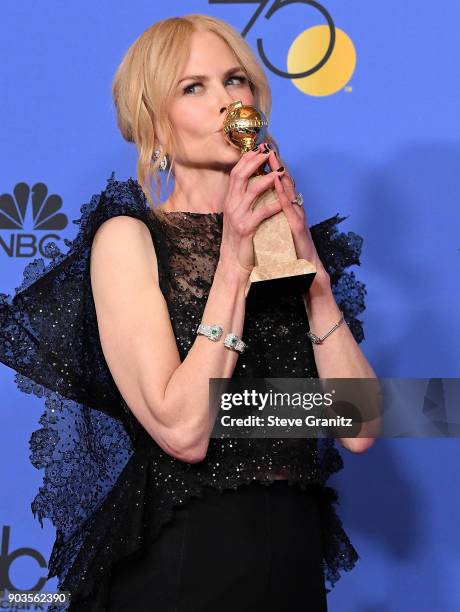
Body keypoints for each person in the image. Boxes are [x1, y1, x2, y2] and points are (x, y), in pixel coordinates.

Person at [0, 13, 376, 612]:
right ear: (155, 124)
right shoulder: (129, 239)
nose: (227, 101)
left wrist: (313, 281)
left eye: (235, 80)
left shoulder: (291, 241)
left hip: (291, 550)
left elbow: (359, 428)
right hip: (186, 555)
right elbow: (182, 431)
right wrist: (233, 262)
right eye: (193, 87)